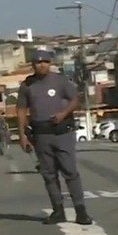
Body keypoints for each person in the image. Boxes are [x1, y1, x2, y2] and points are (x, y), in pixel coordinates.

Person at [16, 50, 93, 225]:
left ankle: (81, 211)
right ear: (32, 64)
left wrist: (64, 112)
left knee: (70, 172)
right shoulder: (27, 85)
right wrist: (22, 135)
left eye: (45, 61)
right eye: (38, 61)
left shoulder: (60, 81)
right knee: (49, 174)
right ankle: (58, 210)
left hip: (62, 132)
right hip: (41, 134)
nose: (42, 64)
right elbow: (21, 110)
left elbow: (75, 99)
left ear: (50, 63)